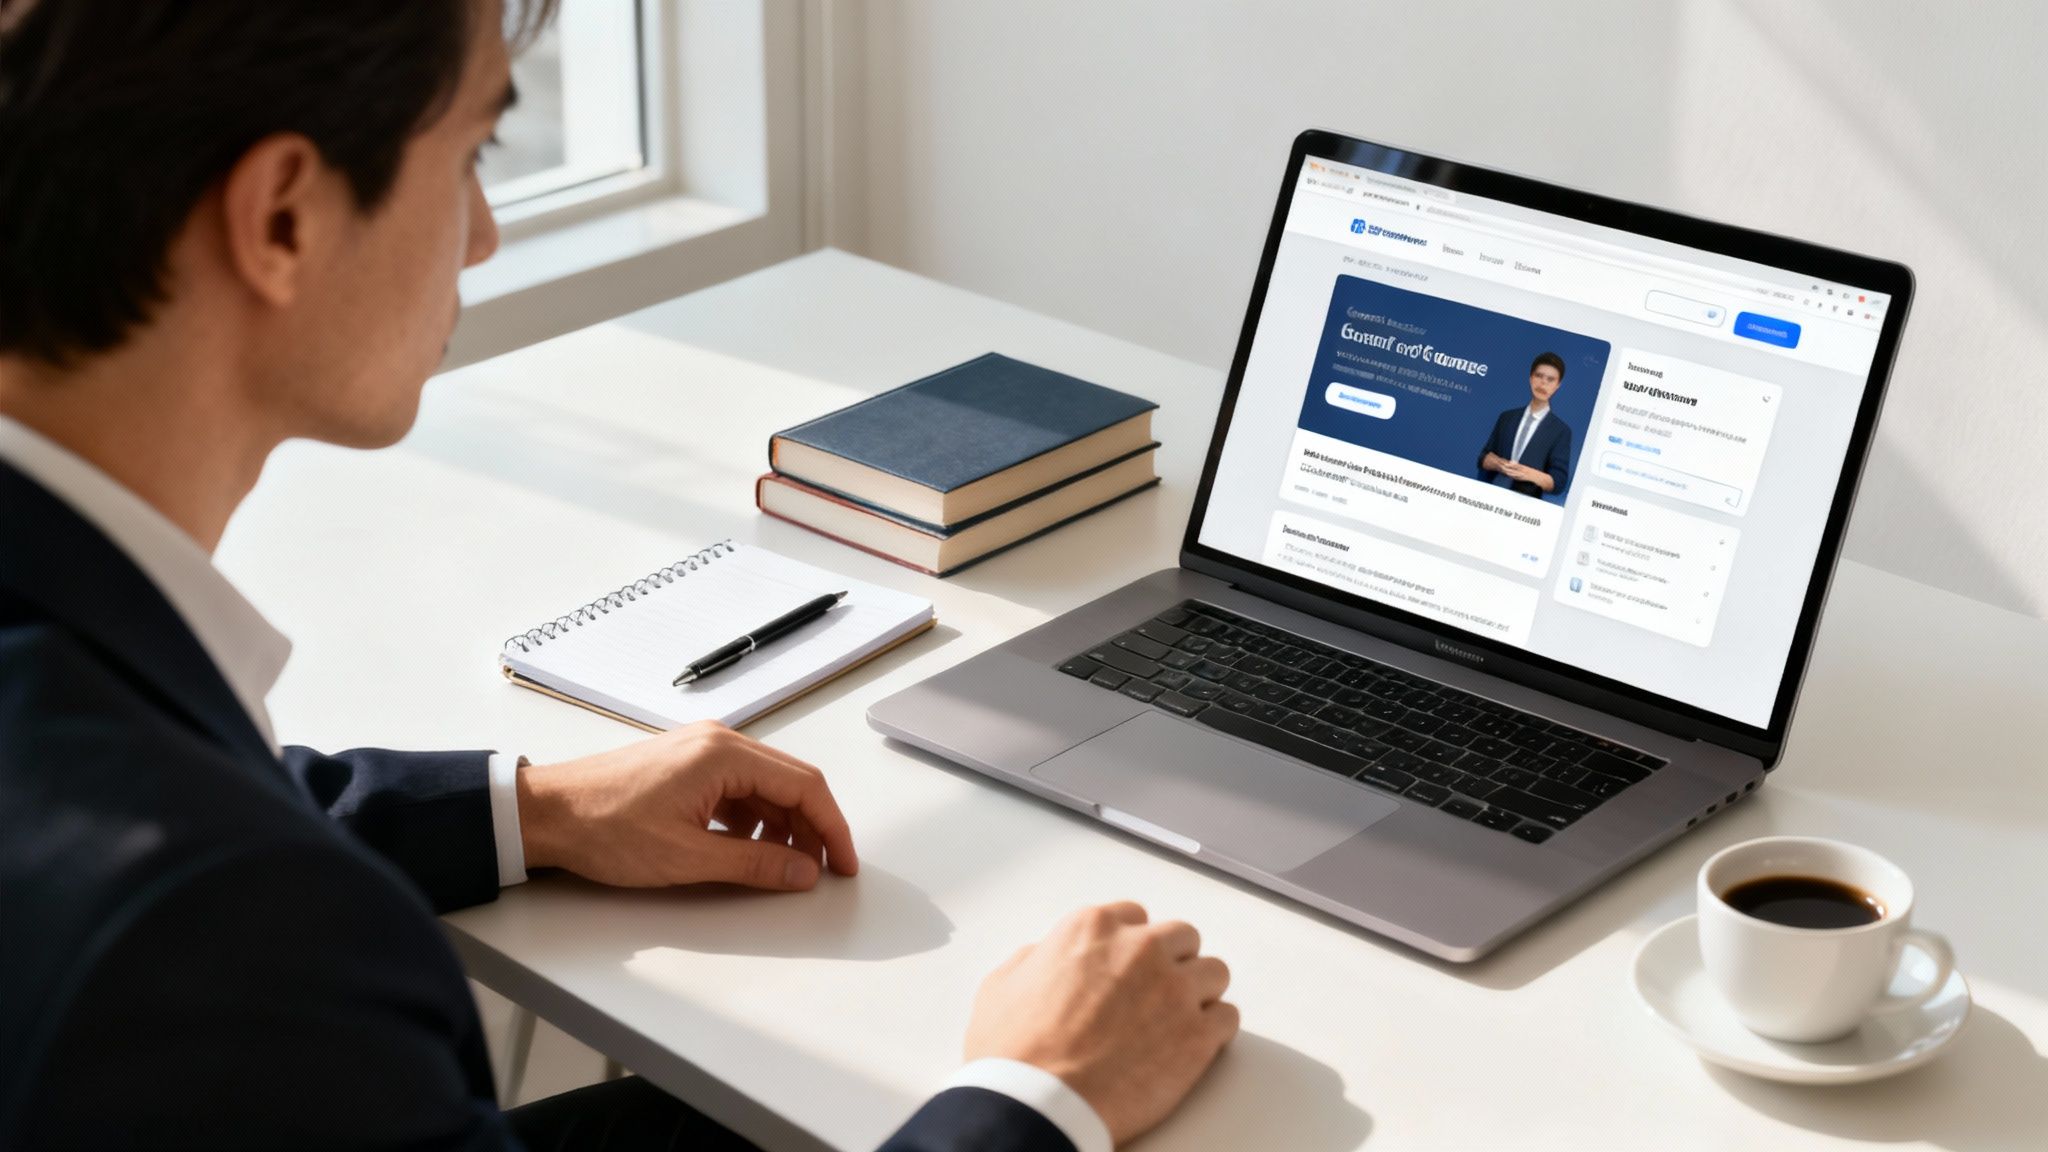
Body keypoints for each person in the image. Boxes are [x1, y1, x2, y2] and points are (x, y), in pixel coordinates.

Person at [0, 3, 1238, 1150]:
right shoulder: (217, 942)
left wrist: (531, 809)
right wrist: (1036, 1098)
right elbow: (188, 897)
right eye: (474, 153)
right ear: (282, 217)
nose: (482, 233)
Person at [1476, 351, 1574, 500]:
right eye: (1539, 376)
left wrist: (1527, 473)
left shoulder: (1561, 431)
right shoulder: (1507, 417)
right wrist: (1499, 464)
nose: (1543, 383)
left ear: (1557, 385)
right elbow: (1483, 458)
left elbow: (1559, 483)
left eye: (1550, 379)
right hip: (1488, 496)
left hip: (1523, 506)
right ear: (1530, 378)